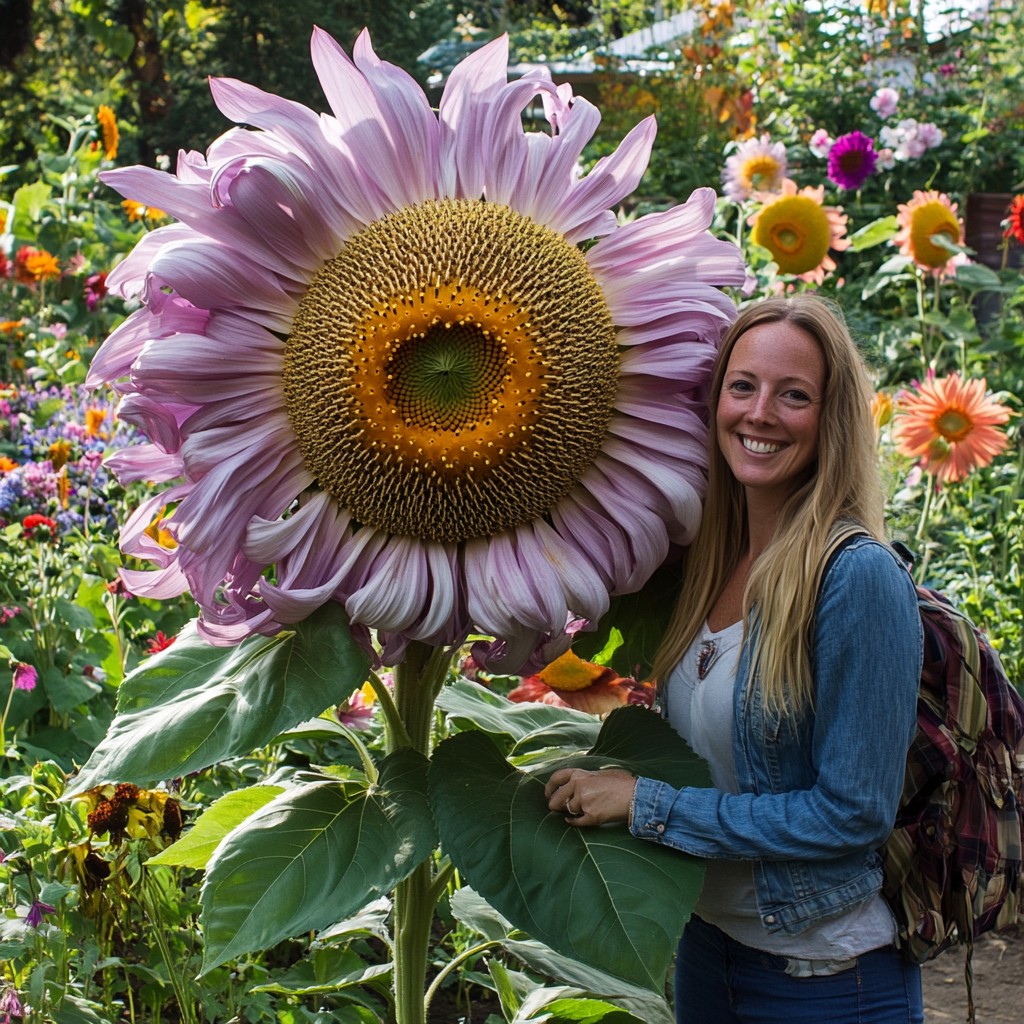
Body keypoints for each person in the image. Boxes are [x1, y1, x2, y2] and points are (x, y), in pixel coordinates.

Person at [544, 294, 925, 1024]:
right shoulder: (707, 565)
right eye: (742, 386)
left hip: (822, 978)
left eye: (794, 396)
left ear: (831, 419)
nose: (759, 414)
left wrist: (647, 804)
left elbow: (853, 814)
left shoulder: (856, 578)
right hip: (707, 956)